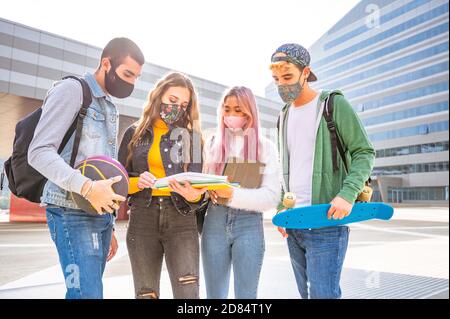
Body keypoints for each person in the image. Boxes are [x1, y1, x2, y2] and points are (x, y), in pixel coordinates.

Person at [28, 37, 145, 299]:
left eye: (136, 77)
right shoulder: (71, 90)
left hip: (98, 215)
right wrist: (87, 188)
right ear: (106, 63)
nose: (132, 83)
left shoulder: (110, 107)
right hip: (70, 210)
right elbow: (38, 152)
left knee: (90, 292)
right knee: (86, 294)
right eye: (127, 74)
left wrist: (110, 223)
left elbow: (106, 171)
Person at [270, 43, 375, 299]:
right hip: (295, 223)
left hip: (326, 219)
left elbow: (364, 152)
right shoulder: (283, 115)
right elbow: (289, 169)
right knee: (305, 295)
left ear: (306, 72)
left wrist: (348, 194)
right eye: (276, 79)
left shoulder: (333, 104)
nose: (282, 85)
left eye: (288, 77)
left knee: (323, 295)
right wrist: (283, 208)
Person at [118, 72, 206, 299]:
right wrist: (139, 182)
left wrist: (194, 195)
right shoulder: (134, 133)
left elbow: (199, 190)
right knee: (146, 293)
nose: (177, 108)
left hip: (181, 219)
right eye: (173, 100)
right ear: (158, 96)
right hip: (142, 219)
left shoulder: (192, 137)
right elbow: (118, 183)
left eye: (184, 104)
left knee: (188, 292)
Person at [201, 86, 281, 298]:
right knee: (214, 295)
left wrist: (233, 195)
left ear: (250, 113)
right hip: (215, 222)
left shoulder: (266, 147)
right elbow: (203, 186)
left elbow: (272, 197)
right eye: (226, 109)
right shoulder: (211, 144)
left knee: (246, 295)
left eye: (238, 110)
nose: (231, 116)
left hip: (249, 224)